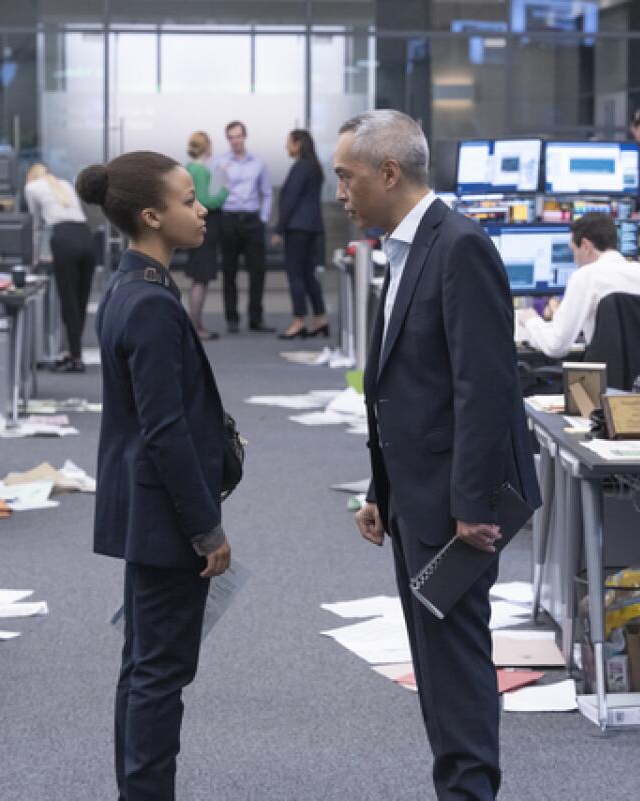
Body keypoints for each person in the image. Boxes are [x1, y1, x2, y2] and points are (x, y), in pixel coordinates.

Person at [337, 110, 541, 801]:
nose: (340, 191)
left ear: (388, 172)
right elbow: (409, 383)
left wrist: (474, 506)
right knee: (435, 665)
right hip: (415, 495)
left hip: (456, 506)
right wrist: (380, 488)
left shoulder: (458, 246)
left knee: (454, 668)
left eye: (347, 176)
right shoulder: (404, 248)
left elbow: (483, 385)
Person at [78, 151, 232, 801]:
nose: (201, 210)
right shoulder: (150, 303)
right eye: (187, 199)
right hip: (166, 513)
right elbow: (164, 429)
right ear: (151, 215)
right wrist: (207, 529)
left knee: (142, 666)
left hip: (143, 505)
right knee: (159, 674)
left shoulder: (131, 285)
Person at [515, 212, 640, 359]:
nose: (574, 259)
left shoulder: (586, 276)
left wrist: (531, 320)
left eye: (573, 250)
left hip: (606, 379)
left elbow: (556, 346)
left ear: (585, 245)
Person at [24, 163, 95, 372]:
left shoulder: (31, 188)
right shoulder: (64, 183)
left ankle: (75, 357)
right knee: (81, 300)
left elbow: (36, 225)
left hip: (64, 239)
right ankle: (74, 353)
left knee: (69, 299)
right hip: (86, 236)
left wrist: (34, 257)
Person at [215, 120, 274, 333]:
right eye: (231, 137)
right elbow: (213, 192)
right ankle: (232, 318)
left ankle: (255, 318)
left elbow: (267, 192)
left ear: (244, 137)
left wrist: (264, 218)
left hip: (252, 220)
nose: (235, 141)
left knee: (257, 271)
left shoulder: (258, 163)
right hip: (229, 219)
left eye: (238, 136)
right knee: (229, 272)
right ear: (228, 139)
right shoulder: (220, 162)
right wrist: (220, 175)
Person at [272, 129, 328, 340]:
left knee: (295, 275)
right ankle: (320, 318)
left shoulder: (300, 168)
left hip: (297, 228)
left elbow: (290, 201)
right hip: (313, 227)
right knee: (308, 274)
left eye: (289, 142)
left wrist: (279, 229)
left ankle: (298, 321)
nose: (286, 146)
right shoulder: (315, 167)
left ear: (298, 144)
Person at [184, 131, 229, 341]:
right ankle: (195, 326)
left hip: (192, 226)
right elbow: (206, 202)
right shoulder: (200, 170)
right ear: (206, 147)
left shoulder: (188, 167)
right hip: (204, 226)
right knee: (201, 278)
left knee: (198, 277)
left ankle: (196, 324)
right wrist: (225, 192)